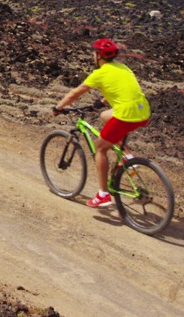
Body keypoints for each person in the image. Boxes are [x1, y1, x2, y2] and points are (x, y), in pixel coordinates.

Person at [53, 38, 150, 208]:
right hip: (143, 112)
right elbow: (121, 87)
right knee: (105, 116)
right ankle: (127, 157)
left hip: (125, 116)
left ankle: (103, 194)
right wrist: (103, 102)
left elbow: (75, 93)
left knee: (100, 148)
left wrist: (59, 107)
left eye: (94, 53)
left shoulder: (99, 74)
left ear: (98, 56)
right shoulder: (123, 68)